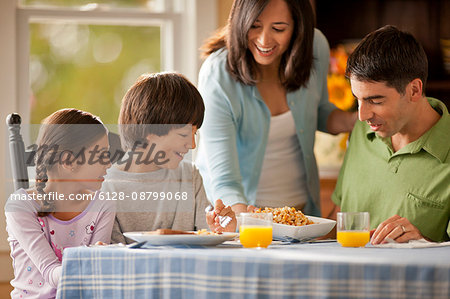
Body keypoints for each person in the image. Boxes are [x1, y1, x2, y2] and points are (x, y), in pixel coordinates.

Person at [195, 0, 357, 216]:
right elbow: (224, 181)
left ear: (298, 27)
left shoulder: (314, 46)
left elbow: (317, 110)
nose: (264, 40)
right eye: (254, 26)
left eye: (279, 28)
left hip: (301, 215)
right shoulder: (218, 74)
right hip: (241, 213)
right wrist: (246, 225)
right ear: (240, 21)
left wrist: (354, 121)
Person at [332, 25, 450, 243]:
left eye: (375, 101)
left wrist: (422, 242)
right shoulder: (361, 133)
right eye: (357, 99)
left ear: (414, 90)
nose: (362, 116)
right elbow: (338, 220)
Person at [102, 72, 237, 244]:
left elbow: (209, 236)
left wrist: (222, 230)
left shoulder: (190, 176)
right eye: (184, 134)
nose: (192, 145)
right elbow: (113, 258)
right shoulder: (105, 187)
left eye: (195, 134)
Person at [5, 108, 115, 298]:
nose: (108, 163)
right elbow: (50, 272)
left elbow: (98, 276)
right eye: (101, 155)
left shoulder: (103, 205)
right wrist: (94, 261)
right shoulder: (21, 206)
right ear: (68, 161)